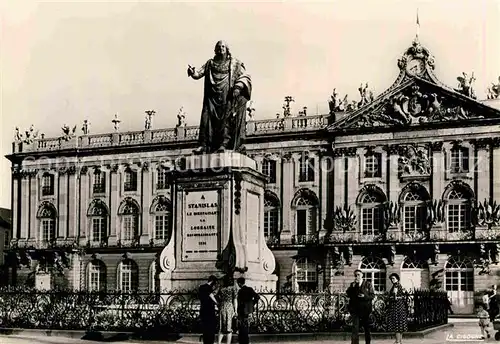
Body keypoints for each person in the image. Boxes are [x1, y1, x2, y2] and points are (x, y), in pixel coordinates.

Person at [187, 40, 252, 154]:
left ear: (227, 49)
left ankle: (224, 144)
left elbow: (245, 76)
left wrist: (238, 87)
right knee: (207, 119)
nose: (221, 48)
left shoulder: (235, 63)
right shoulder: (210, 63)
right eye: (218, 46)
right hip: (212, 97)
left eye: (223, 46)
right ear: (215, 49)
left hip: (227, 95)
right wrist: (192, 72)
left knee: (226, 119)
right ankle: (204, 144)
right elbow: (198, 74)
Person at [346, 269, 375, 344]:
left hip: (365, 309)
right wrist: (352, 287)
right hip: (355, 309)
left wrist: (364, 296)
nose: (357, 276)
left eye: (358, 275)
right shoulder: (353, 284)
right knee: (355, 328)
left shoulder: (368, 284)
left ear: (362, 275)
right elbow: (348, 294)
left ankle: (368, 343)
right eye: (355, 275)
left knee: (366, 328)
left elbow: (372, 296)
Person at [386, 273, 408, 344]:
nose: (392, 280)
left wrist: (390, 298)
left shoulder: (396, 285)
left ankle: (397, 341)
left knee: (397, 323)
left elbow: (395, 297)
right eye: (391, 279)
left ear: (397, 279)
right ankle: (399, 341)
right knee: (399, 323)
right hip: (400, 306)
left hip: (396, 306)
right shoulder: (399, 284)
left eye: (393, 278)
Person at [236, 277, 260, 344]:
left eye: (238, 283)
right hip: (248, 310)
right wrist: (252, 304)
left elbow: (239, 301)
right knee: (246, 325)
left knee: (242, 325)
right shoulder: (250, 289)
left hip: (241, 310)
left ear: (239, 283)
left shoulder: (240, 291)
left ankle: (242, 340)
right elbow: (257, 297)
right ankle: (246, 340)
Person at [217, 274, 238, 344]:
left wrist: (219, 303)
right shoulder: (233, 288)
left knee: (221, 327)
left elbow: (216, 295)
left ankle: (219, 343)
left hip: (222, 307)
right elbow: (235, 299)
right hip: (229, 307)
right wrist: (235, 310)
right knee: (229, 328)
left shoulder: (221, 288)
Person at [199, 275, 219, 344]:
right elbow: (211, 296)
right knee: (211, 327)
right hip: (209, 310)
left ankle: (206, 341)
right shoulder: (209, 288)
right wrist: (217, 303)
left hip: (203, 309)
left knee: (205, 327)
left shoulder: (201, 287)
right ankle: (210, 341)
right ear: (212, 282)